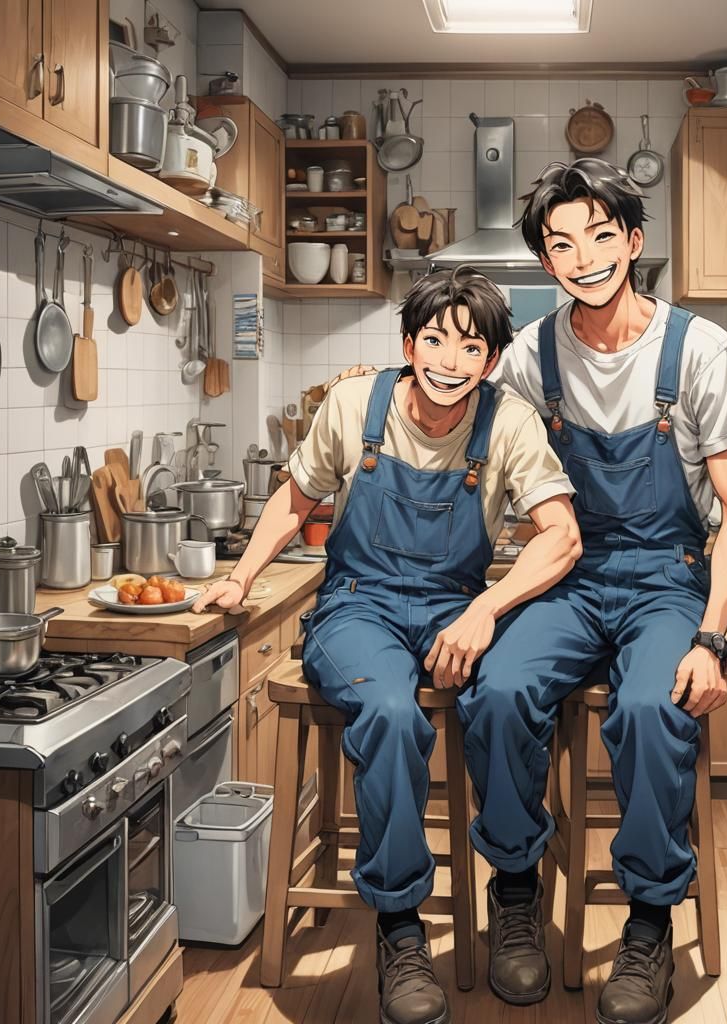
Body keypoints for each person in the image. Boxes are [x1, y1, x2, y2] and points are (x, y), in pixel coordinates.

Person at [194, 267, 581, 1024]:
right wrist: (241, 578)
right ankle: (402, 929)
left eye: (469, 346)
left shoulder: (508, 423)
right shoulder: (352, 403)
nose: (448, 357)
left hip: (457, 609)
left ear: (490, 361)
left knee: (506, 701)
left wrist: (487, 610)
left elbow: (562, 536)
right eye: (433, 338)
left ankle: (513, 895)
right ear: (409, 344)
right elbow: (296, 497)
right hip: (358, 608)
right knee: (393, 716)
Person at [454, 158, 727, 1024]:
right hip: (565, 573)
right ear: (545, 264)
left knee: (650, 707)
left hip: (668, 576)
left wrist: (713, 636)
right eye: (559, 244)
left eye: (599, 235)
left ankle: (649, 924)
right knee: (500, 690)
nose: (582, 256)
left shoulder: (700, 349)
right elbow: (484, 477)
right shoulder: (525, 356)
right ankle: (515, 895)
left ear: (633, 241)